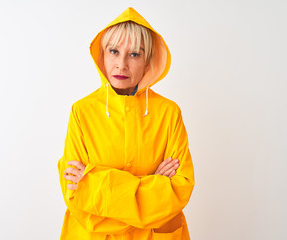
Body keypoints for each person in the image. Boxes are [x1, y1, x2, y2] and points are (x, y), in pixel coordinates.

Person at [57, 7, 194, 240]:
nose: (121, 64)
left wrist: (96, 184)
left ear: (148, 61)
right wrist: (152, 186)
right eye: (114, 51)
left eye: (134, 54)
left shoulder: (169, 113)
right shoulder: (82, 112)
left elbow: (179, 190)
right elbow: (74, 195)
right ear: (102, 55)